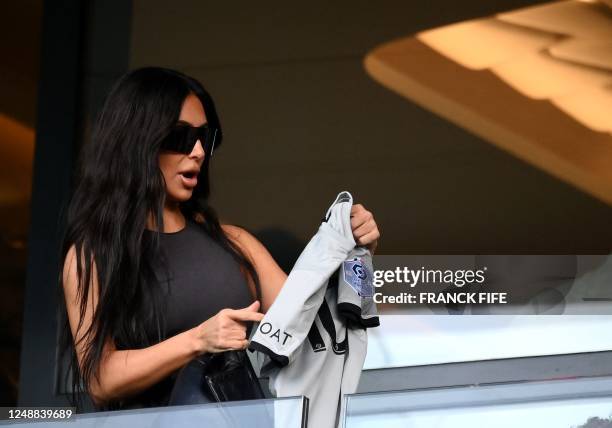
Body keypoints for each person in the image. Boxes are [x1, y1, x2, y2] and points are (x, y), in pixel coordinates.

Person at [58, 67, 380, 411]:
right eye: (180, 137)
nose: (197, 151)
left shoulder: (235, 244)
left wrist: (354, 255)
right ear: (137, 140)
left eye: (205, 138)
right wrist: (199, 340)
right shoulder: (93, 255)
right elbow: (100, 380)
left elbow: (317, 334)